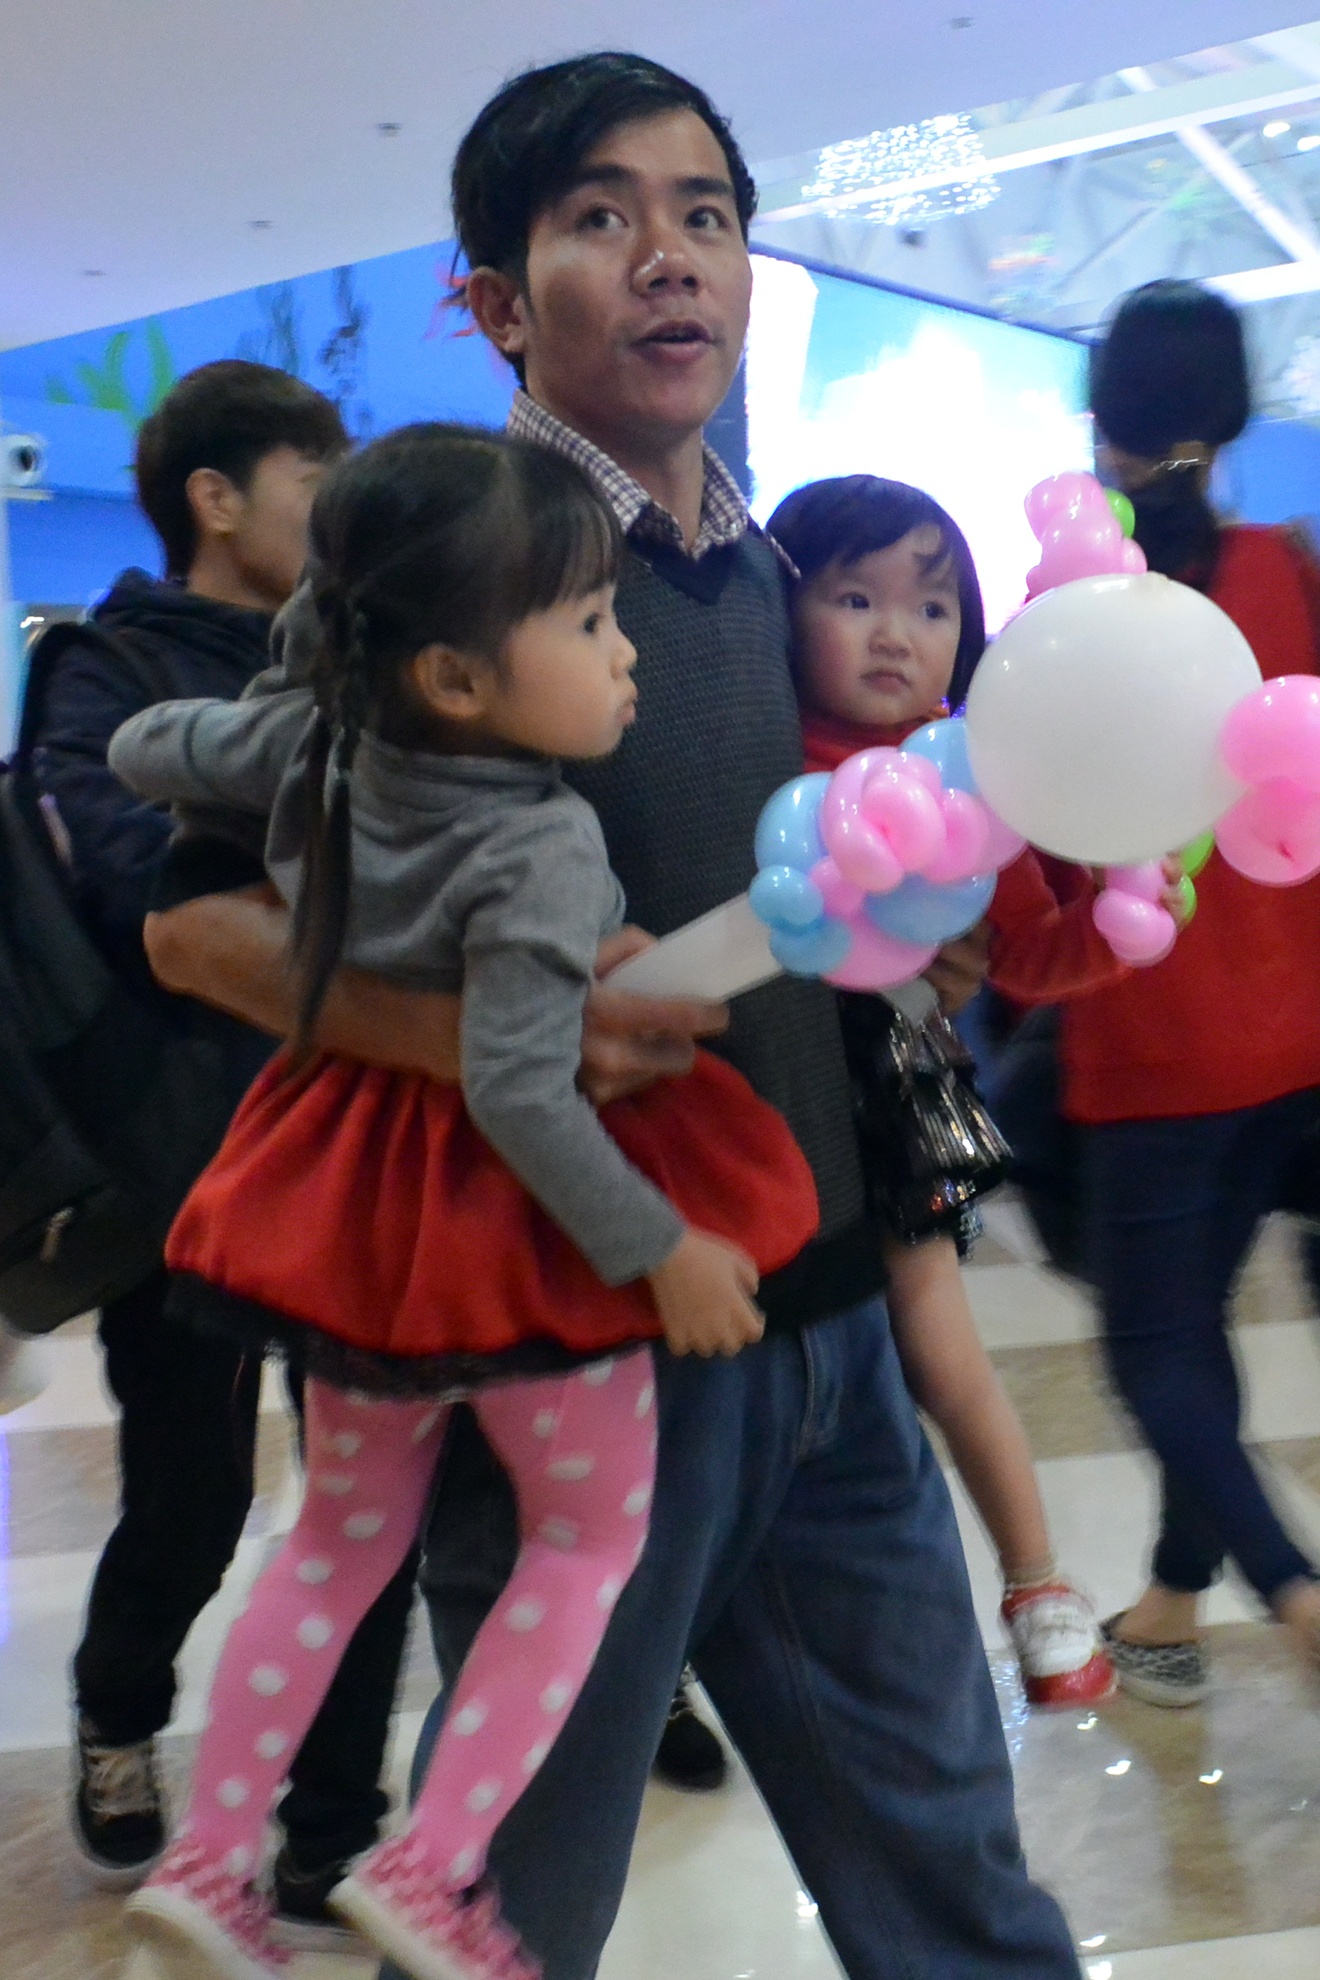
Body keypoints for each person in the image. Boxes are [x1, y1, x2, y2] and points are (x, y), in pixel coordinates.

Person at [138, 53, 1084, 1980]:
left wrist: (911, 945)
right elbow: (195, 925)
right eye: (601, 218)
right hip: (580, 1340)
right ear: (496, 299)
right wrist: (497, 1043)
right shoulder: (449, 547)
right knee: (505, 1905)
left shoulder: (770, 566)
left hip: (828, 1318)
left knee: (952, 1868)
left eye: (705, 216)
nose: (671, 258)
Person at [114, 421, 817, 1980]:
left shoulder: (309, 745)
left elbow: (143, 748)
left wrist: (284, 675)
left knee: (334, 1540)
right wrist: (666, 1249)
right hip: (516, 1227)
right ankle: (432, 1869)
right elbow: (520, 1089)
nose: (624, 653)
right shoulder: (545, 841)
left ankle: (213, 1859)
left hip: (352, 1198)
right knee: (586, 1536)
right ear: (451, 675)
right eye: (590, 621)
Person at [29, 361, 418, 1942]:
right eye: (314, 482)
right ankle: (121, 1707)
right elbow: (130, 879)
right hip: (187, 1156)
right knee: (190, 1497)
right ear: (214, 497)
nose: (339, 515)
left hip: (362, 1139)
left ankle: (330, 1832)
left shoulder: (362, 667)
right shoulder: (102, 665)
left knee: (366, 1503)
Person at [766, 471, 1117, 1708]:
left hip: (898, 1075)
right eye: (853, 598)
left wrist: (1126, 917)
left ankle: (1037, 1586)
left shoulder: (964, 778)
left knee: (937, 1337)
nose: (894, 635)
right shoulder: (754, 751)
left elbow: (1032, 955)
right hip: (749, 1090)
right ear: (783, 614)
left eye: (930, 607)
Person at [1069, 279, 1320, 1705]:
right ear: (1231, 415)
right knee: (1200, 1315)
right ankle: (1170, 1601)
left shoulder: (1082, 602)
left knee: (1155, 1341)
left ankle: (1294, 1591)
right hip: (1300, 1030)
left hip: (1154, 1033)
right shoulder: (1292, 570)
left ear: (1100, 409)